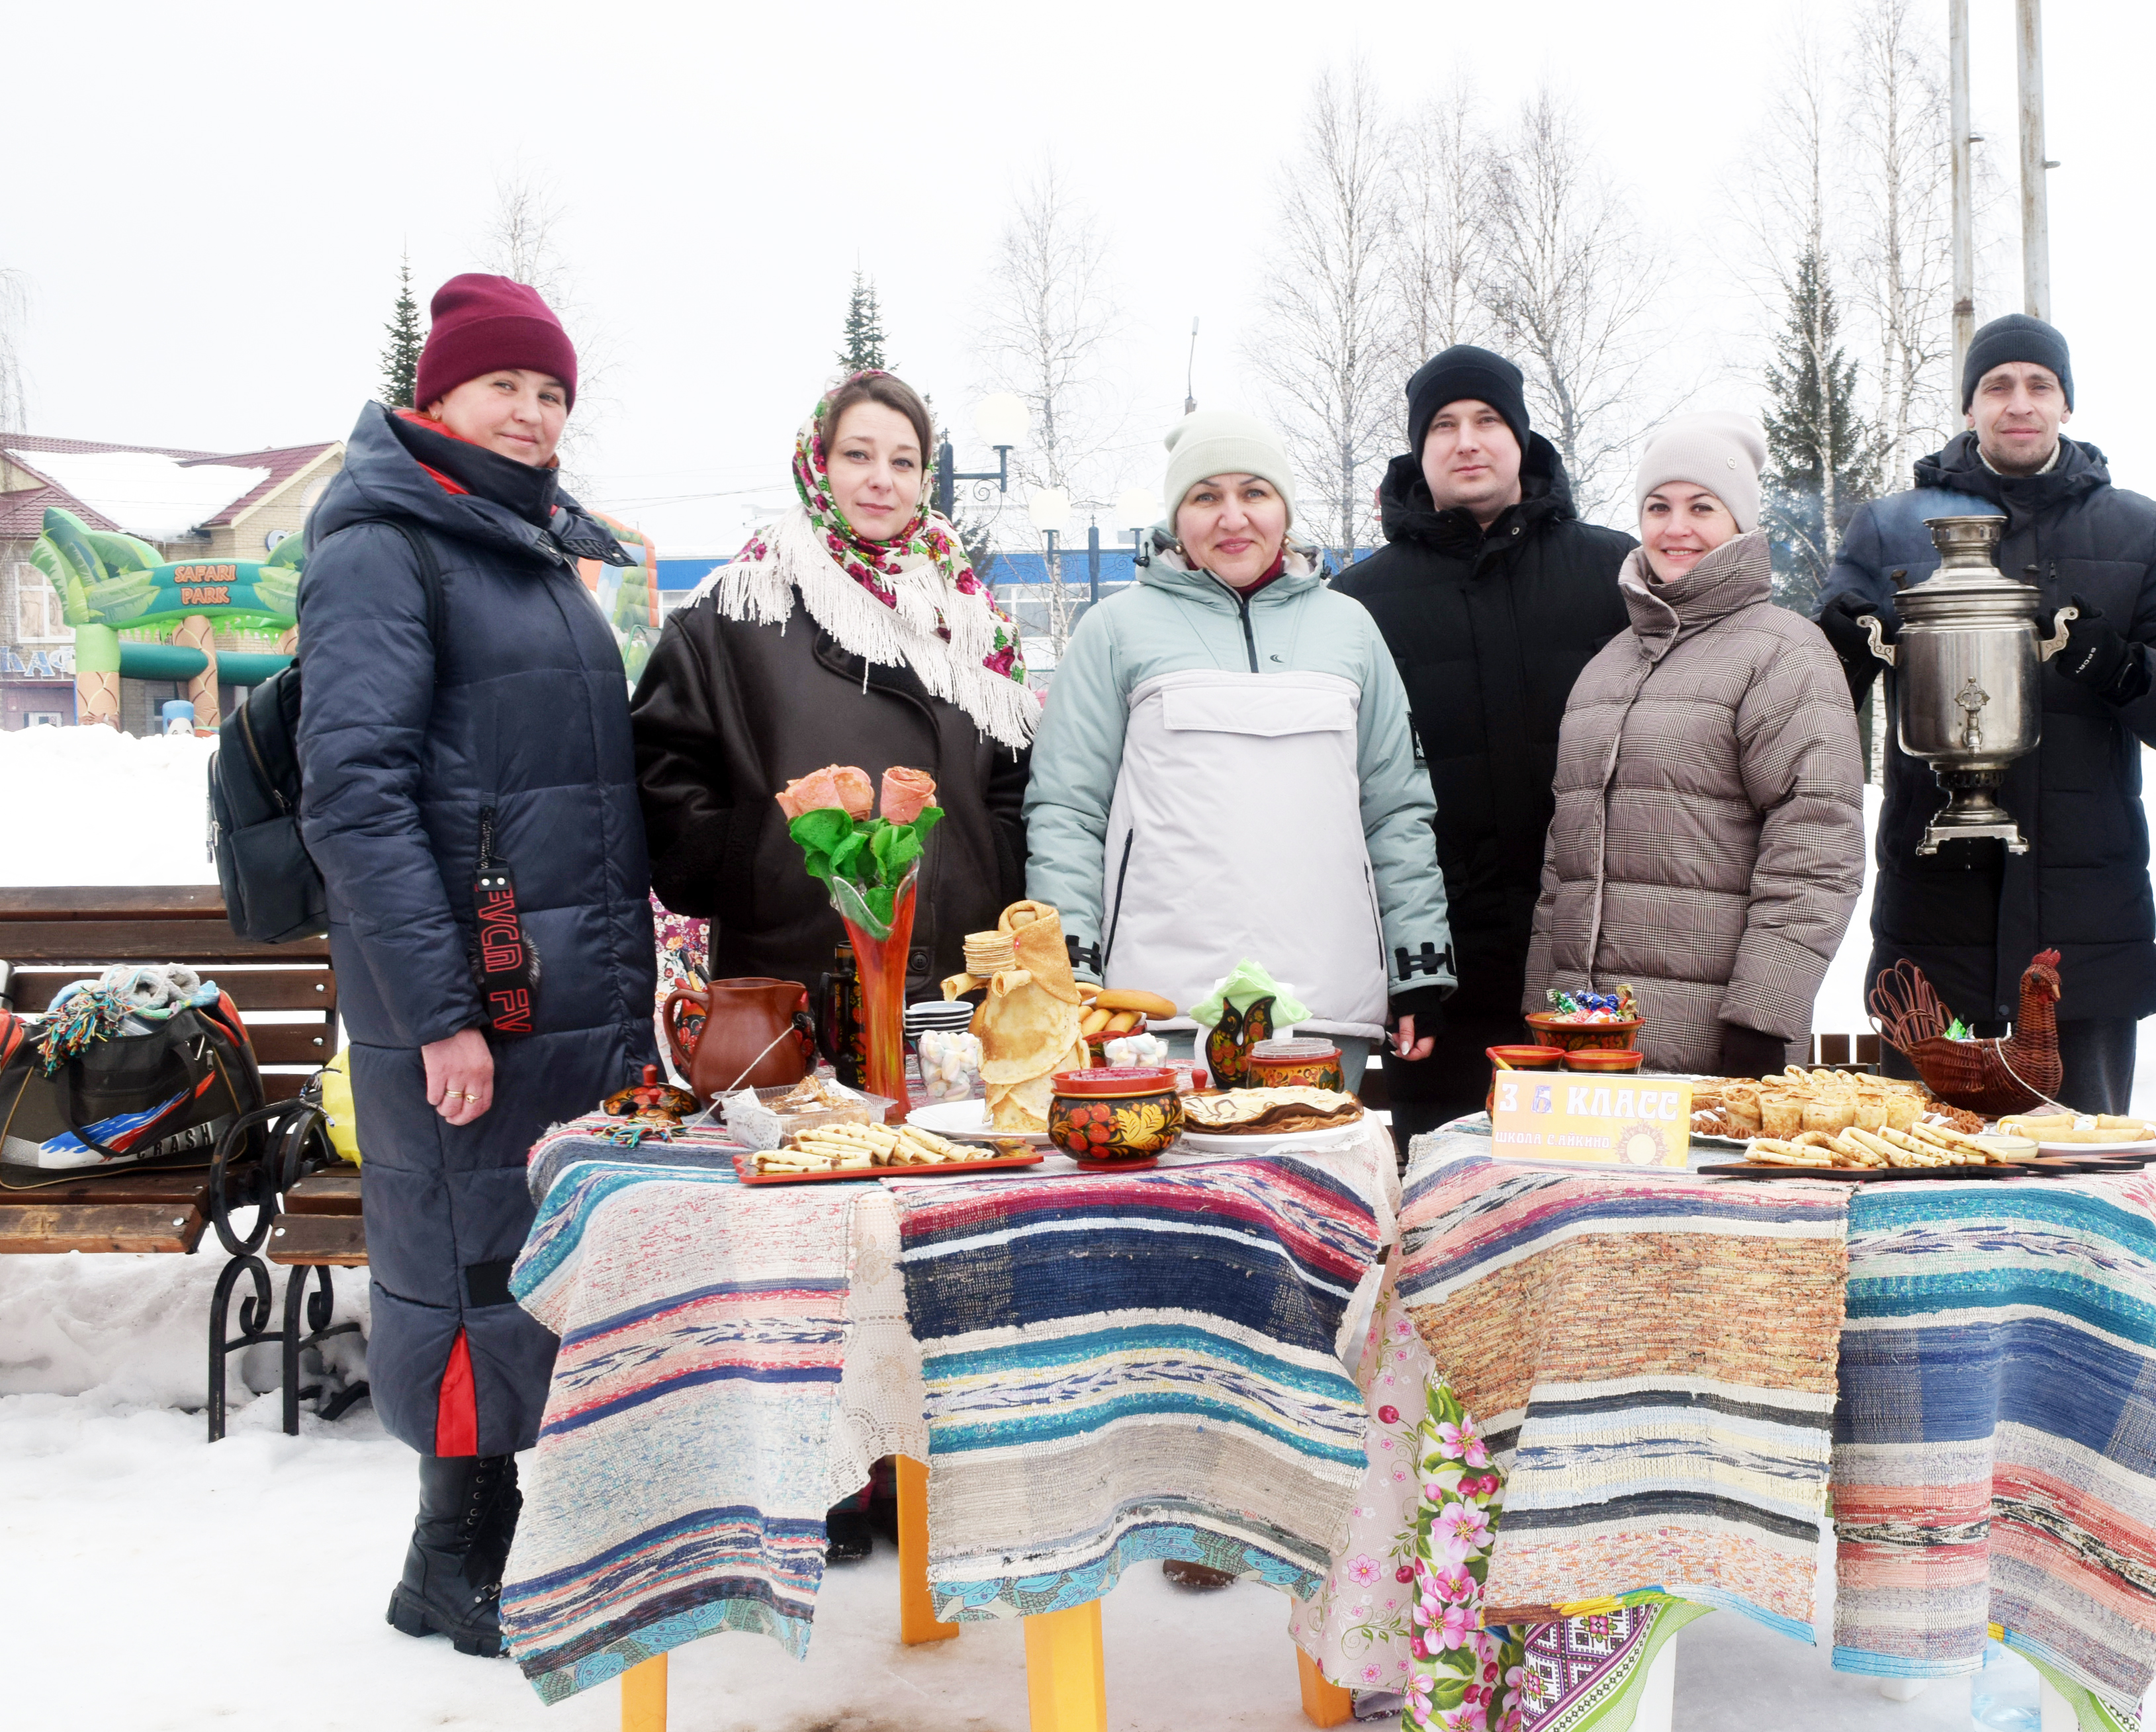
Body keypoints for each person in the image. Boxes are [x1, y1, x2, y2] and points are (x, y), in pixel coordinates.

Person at [295, 275, 655, 1656]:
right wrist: (439, 1013)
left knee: (531, 1260)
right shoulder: (384, 544)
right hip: (465, 1002)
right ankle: (446, 1560)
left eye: (553, 391)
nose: (531, 412)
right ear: (436, 394)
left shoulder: (522, 544)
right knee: (462, 1265)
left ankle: (493, 1540)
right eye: (506, 384)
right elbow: (358, 796)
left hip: (562, 988)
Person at [1817, 314, 2156, 1113]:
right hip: (1935, 930)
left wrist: (2117, 663)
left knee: (2076, 1189)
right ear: (1970, 408)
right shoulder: (1892, 528)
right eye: (1997, 386)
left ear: (2067, 403)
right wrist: (1847, 648)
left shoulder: (2138, 529)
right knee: (1925, 1185)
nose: (2019, 402)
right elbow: (1817, 703)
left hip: (2080, 940)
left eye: (2040, 384)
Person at [1022, 408, 1455, 1097]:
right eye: (1205, 496)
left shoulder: (1350, 629)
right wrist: (1068, 972)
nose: (1232, 518)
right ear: (1176, 517)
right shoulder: (1113, 631)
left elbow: (1396, 807)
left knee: (1313, 1194)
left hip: (1324, 1003)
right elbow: (1067, 812)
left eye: (1254, 492)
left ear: (1284, 507)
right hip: (1155, 1008)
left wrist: (1419, 970)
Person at [630, 371, 1038, 1010]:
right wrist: (751, 862)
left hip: (958, 968)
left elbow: (1014, 777)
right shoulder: (737, 607)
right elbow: (664, 768)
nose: (883, 479)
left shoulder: (970, 616)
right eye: (857, 455)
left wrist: (988, 860)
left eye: (904, 461)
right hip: (793, 962)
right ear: (817, 464)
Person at [1335, 345, 1636, 1138]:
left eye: (1487, 419)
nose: (1466, 440)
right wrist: (1404, 972)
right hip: (1443, 970)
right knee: (1443, 1194)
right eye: (1443, 425)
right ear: (1418, 450)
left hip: (1592, 955)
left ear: (1522, 437)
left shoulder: (1615, 573)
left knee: (1596, 1193)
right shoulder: (1357, 604)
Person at [1527, 414, 1864, 1073]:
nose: (1675, 527)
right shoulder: (1608, 667)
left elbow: (1817, 849)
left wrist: (1763, 1017)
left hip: (1718, 1052)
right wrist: (1542, 1005)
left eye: (1701, 507)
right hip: (1587, 1048)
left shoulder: (1785, 654)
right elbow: (1561, 864)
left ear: (1740, 523)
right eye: (1659, 506)